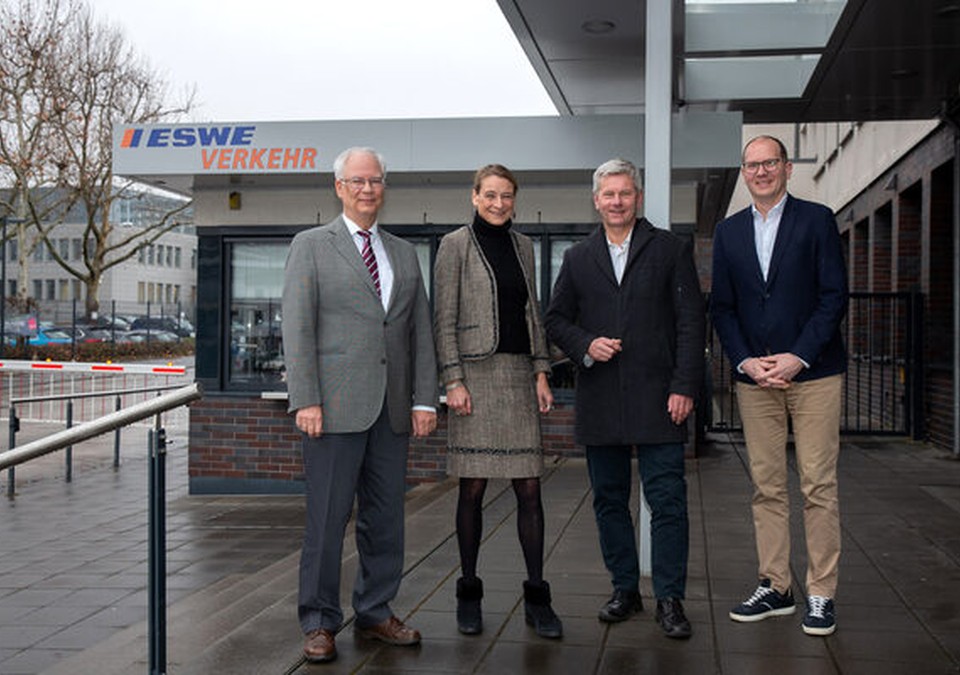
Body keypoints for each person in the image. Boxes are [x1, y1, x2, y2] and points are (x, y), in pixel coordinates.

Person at [281, 147, 438, 663]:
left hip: (392, 411)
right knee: (327, 519)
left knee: (386, 518)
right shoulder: (311, 246)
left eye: (375, 181)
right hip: (333, 410)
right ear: (339, 187)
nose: (368, 189)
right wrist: (306, 397)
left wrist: (424, 400)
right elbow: (298, 328)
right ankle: (320, 621)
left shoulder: (402, 252)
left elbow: (419, 334)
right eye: (357, 181)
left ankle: (374, 611)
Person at [544, 158, 705, 639]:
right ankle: (625, 589)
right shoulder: (576, 258)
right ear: (596, 201)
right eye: (608, 194)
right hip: (601, 399)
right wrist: (584, 344)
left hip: (660, 398)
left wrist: (684, 386)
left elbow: (690, 322)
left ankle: (671, 599)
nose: (617, 201)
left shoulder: (670, 250)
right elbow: (555, 319)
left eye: (625, 193)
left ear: (638, 197)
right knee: (609, 501)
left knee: (668, 501)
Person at [711, 135, 848, 636]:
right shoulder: (728, 233)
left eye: (770, 163)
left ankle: (820, 593)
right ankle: (776, 586)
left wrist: (798, 356)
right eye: (752, 165)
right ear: (744, 173)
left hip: (814, 374)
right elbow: (722, 308)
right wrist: (746, 361)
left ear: (787, 168)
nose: (761, 172)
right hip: (756, 381)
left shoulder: (817, 219)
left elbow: (834, 295)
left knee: (817, 485)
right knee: (766, 487)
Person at [433, 164, 562, 639]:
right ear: (474, 197)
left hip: (517, 376)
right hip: (475, 378)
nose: (499, 203)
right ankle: (469, 591)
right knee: (473, 489)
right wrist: (453, 380)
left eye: (506, 196)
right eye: (490, 195)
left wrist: (541, 371)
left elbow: (532, 315)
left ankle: (537, 597)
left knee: (530, 488)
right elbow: (442, 318)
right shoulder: (454, 246)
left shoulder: (523, 246)